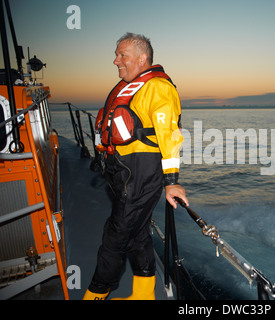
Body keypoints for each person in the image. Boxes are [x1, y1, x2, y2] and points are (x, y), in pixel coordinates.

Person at [83, 32, 188, 300]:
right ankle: (143, 295)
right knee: (138, 233)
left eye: (122, 55)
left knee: (115, 236)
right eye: (116, 55)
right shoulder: (132, 86)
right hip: (123, 171)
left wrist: (172, 181)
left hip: (142, 172)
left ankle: (95, 293)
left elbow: (170, 135)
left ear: (142, 58)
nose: (116, 60)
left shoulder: (158, 88)